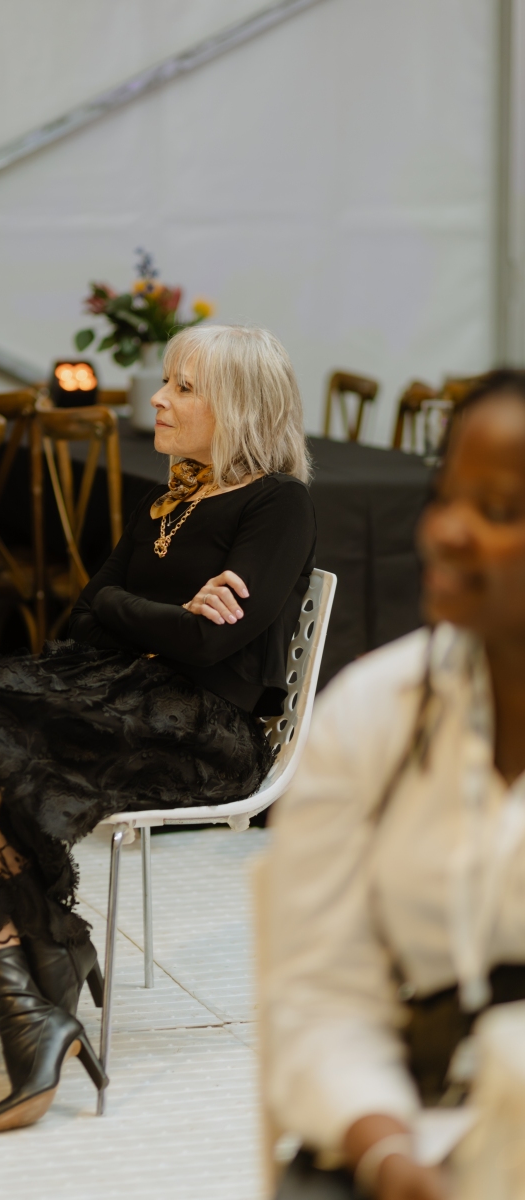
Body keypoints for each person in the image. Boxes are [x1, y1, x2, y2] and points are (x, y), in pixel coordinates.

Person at [0, 324, 317, 1134]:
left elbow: (210, 644)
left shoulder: (277, 503)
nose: (158, 399)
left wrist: (130, 612)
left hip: (203, 730)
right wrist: (155, 614)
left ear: (240, 406)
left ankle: (44, 967)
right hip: (121, 695)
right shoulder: (169, 498)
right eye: (167, 381)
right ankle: (29, 1004)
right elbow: (82, 618)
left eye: (182, 387)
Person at [266, 369, 525, 1200]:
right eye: (444, 497)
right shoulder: (371, 713)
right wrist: (387, 1152)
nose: (445, 531)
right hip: (417, 1127)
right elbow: (320, 996)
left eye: (499, 510)